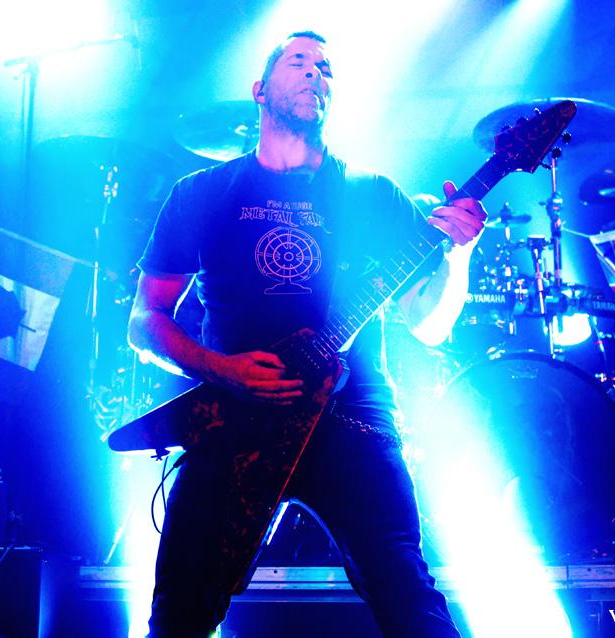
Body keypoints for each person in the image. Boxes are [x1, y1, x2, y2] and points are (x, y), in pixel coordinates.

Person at [128, 31, 486, 638]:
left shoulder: (371, 194)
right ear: (259, 89)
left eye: (326, 67)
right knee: (179, 614)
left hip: (354, 418)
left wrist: (460, 253)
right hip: (236, 418)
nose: (315, 72)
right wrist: (223, 370)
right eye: (298, 61)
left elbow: (430, 324)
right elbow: (144, 322)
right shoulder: (203, 194)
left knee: (408, 595)